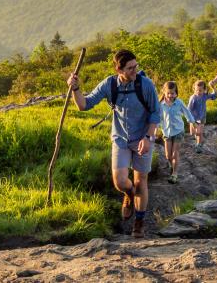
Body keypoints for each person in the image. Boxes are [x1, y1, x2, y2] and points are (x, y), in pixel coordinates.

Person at [67, 49, 159, 238]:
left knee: (141, 181)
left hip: (143, 138)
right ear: (119, 70)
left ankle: (139, 222)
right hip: (120, 139)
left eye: (136, 66)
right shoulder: (109, 84)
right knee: (120, 181)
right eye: (130, 68)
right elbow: (84, 105)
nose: (135, 71)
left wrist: (148, 138)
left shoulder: (146, 85)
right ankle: (129, 195)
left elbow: (155, 113)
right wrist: (76, 89)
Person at [155, 80, 197, 184]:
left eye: (172, 93)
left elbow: (186, 112)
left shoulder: (179, 102)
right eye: (168, 93)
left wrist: (192, 122)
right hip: (167, 132)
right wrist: (155, 129)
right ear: (164, 92)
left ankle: (175, 174)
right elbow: (159, 118)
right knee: (167, 155)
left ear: (176, 93)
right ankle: (171, 165)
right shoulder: (161, 104)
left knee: (174, 154)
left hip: (178, 131)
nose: (170, 95)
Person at [187, 79, 217, 152]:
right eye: (197, 90)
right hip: (193, 118)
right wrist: (190, 120)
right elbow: (189, 109)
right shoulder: (193, 98)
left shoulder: (205, 96)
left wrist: (213, 87)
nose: (198, 92)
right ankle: (198, 139)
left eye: (200, 90)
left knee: (199, 132)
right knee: (193, 133)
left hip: (202, 117)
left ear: (204, 90)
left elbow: (214, 96)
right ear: (194, 89)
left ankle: (199, 145)